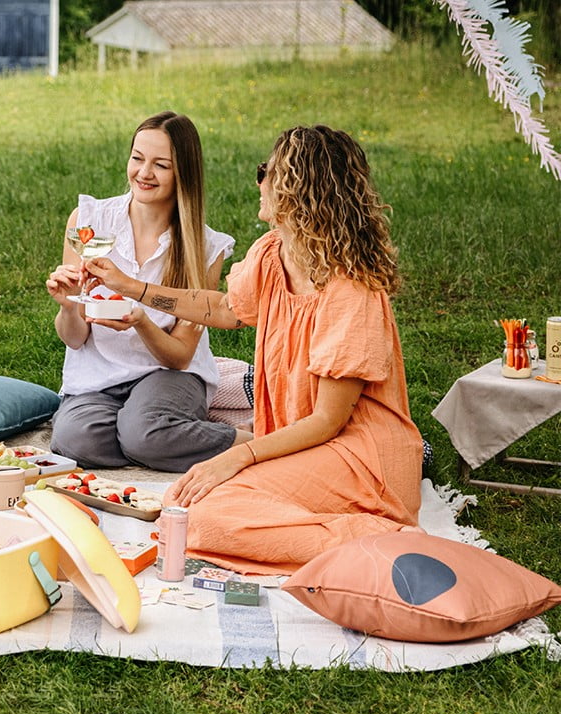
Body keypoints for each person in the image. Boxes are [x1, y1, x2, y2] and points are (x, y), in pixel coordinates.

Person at [87, 125, 422, 574]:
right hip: (299, 446)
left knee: (202, 518)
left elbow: (328, 420)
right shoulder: (273, 253)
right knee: (183, 508)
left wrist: (237, 455)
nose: (259, 181)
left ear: (298, 191)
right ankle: (336, 530)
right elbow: (224, 308)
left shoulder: (350, 290)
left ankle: (383, 538)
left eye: (267, 171)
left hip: (359, 457)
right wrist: (132, 287)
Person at [44, 111, 245, 473]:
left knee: (143, 432)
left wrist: (141, 321)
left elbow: (180, 355)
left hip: (169, 375)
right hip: (97, 378)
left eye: (161, 165)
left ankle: (247, 444)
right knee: (75, 440)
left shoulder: (205, 247)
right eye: (137, 158)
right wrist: (68, 308)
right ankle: (160, 439)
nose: (143, 173)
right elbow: (75, 340)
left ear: (183, 172)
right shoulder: (88, 223)